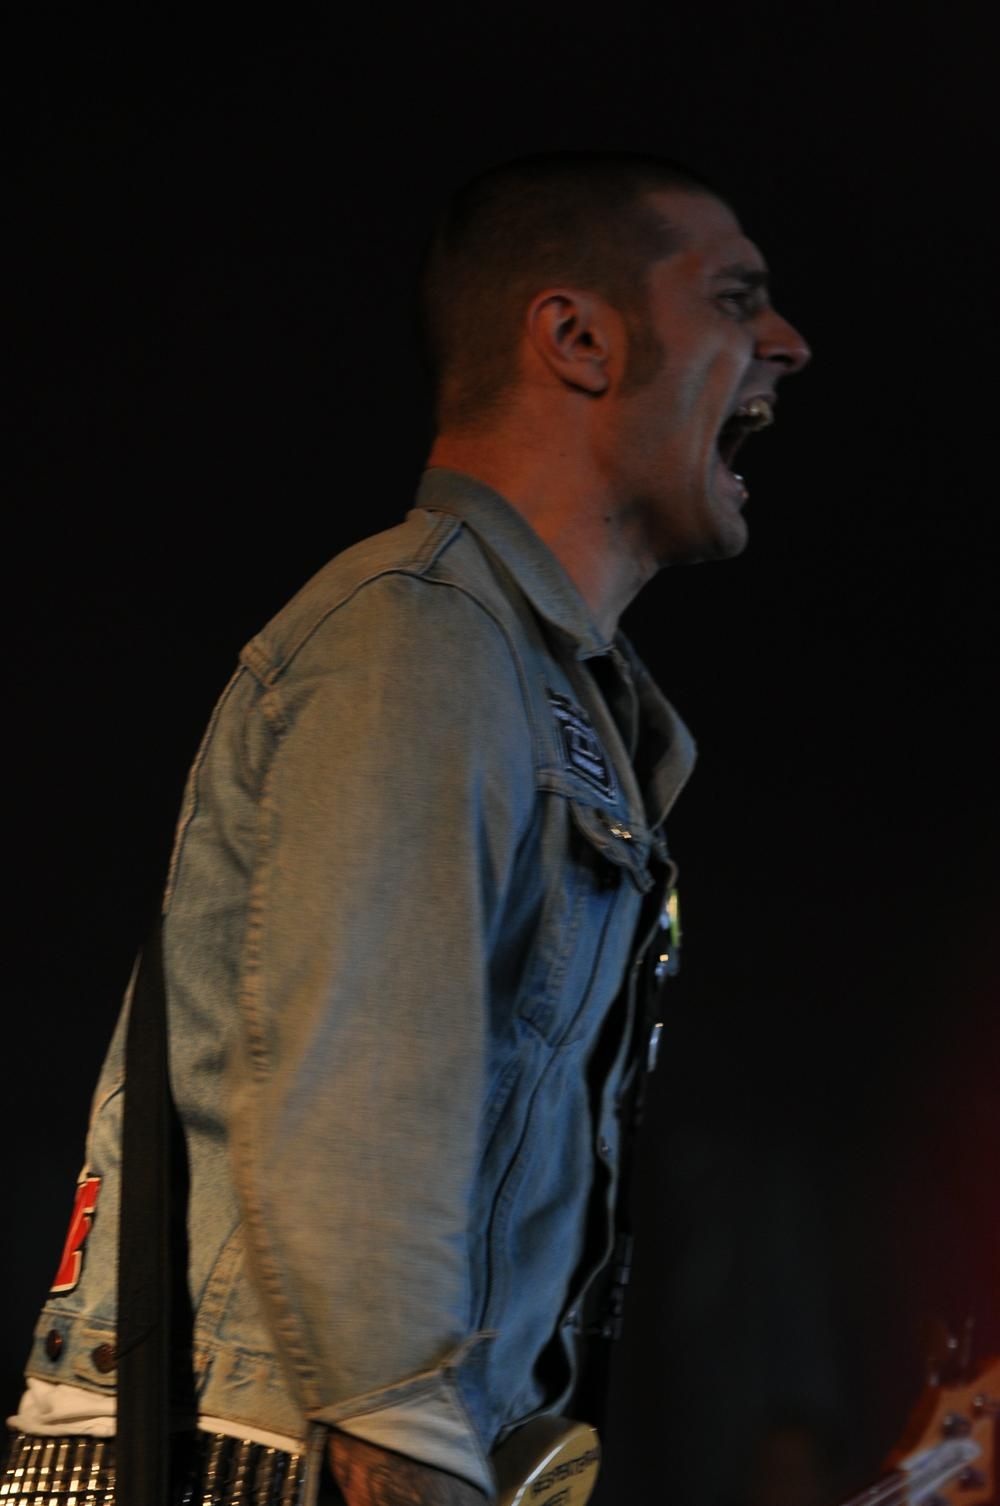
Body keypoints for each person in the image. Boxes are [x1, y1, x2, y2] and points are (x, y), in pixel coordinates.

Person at [4, 150, 810, 1505]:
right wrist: (417, 1451)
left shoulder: (548, 697)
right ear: (578, 338)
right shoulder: (423, 642)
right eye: (737, 299)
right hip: (252, 1462)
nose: (788, 342)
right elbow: (356, 1140)